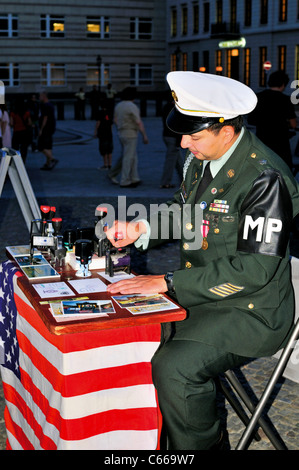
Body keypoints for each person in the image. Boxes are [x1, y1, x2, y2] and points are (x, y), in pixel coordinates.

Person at [105, 71, 299, 450]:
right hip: (206, 294)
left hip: (250, 310)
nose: (183, 143)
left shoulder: (265, 179)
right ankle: (166, 432)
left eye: (194, 135)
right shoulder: (201, 162)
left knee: (174, 367)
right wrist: (140, 229)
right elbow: (184, 211)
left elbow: (256, 270)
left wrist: (167, 283)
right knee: (131, 332)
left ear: (226, 130)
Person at [248, 70, 297, 169]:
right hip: (281, 142)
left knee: (262, 167)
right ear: (283, 84)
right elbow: (293, 124)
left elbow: (251, 120)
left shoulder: (259, 97)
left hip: (262, 140)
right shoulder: (286, 100)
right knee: (282, 170)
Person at [108, 87, 148, 187]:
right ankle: (125, 180)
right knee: (129, 157)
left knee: (129, 155)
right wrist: (144, 135)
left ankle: (133, 177)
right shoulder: (132, 106)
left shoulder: (119, 106)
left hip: (121, 133)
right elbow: (138, 122)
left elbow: (115, 120)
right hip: (131, 133)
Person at [160, 94, 183, 188]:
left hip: (166, 135)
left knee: (178, 160)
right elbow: (177, 126)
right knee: (171, 160)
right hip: (173, 137)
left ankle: (184, 180)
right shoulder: (175, 109)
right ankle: (165, 182)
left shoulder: (166, 107)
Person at [38, 91, 58, 170]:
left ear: (44, 96)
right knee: (48, 146)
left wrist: (41, 129)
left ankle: (52, 159)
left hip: (46, 128)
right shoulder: (50, 105)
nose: (39, 98)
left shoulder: (45, 106)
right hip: (51, 128)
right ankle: (48, 163)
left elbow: (45, 118)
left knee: (41, 146)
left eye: (40, 96)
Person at [10, 97, 32, 162]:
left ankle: (16, 162)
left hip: (16, 132)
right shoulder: (27, 112)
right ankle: (23, 162)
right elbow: (30, 123)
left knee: (15, 149)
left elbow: (11, 123)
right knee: (24, 149)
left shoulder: (13, 113)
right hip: (25, 132)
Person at [94, 99, 113, 170]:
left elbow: (98, 122)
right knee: (109, 150)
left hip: (102, 133)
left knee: (103, 150)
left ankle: (105, 164)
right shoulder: (108, 113)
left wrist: (95, 132)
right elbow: (110, 123)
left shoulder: (100, 113)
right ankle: (110, 164)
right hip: (109, 133)